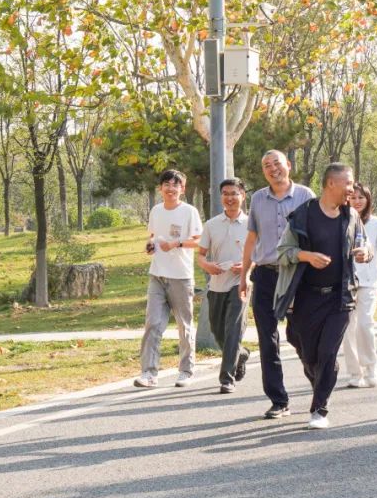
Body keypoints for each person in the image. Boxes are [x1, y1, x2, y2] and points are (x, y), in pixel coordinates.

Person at [274, 163, 372, 429]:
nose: (352, 189)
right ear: (331, 183)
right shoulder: (303, 215)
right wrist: (306, 256)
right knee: (310, 356)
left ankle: (319, 409)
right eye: (348, 183)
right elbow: (282, 252)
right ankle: (322, 379)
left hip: (341, 297)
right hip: (306, 298)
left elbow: (364, 243)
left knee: (328, 352)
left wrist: (365, 252)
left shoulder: (351, 216)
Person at [241, 150, 315, 419]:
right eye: (267, 165)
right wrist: (244, 275)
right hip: (265, 275)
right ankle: (278, 400)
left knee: (300, 335)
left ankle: (319, 382)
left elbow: (317, 233)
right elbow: (252, 238)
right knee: (267, 339)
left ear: (288, 166)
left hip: (297, 275)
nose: (273, 169)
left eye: (277, 163)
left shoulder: (306, 196)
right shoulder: (258, 198)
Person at [134, 169, 204, 389]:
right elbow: (153, 236)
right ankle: (149, 373)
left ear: (182, 189)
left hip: (181, 277)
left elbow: (200, 241)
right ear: (160, 188)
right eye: (167, 184)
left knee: (184, 326)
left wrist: (177, 244)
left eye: (176, 185)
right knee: (153, 324)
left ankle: (186, 371)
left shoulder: (189, 211)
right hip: (157, 274)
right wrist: (150, 245)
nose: (171, 188)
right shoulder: (156, 210)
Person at [197, 178, 250, 394]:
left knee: (233, 330)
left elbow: (259, 254)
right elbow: (201, 255)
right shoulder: (211, 225)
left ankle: (227, 378)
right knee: (218, 332)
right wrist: (207, 266)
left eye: (234, 193)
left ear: (242, 196)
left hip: (241, 284)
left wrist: (246, 266)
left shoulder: (251, 224)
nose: (230, 198)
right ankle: (241, 354)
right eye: (225, 194)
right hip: (217, 284)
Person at [342, 182, 377, 388]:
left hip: (369, 282)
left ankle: (371, 369)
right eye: (353, 197)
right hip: (345, 283)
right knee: (348, 329)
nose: (357, 201)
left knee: (364, 324)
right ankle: (355, 373)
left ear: (368, 200)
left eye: (361, 197)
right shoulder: (341, 220)